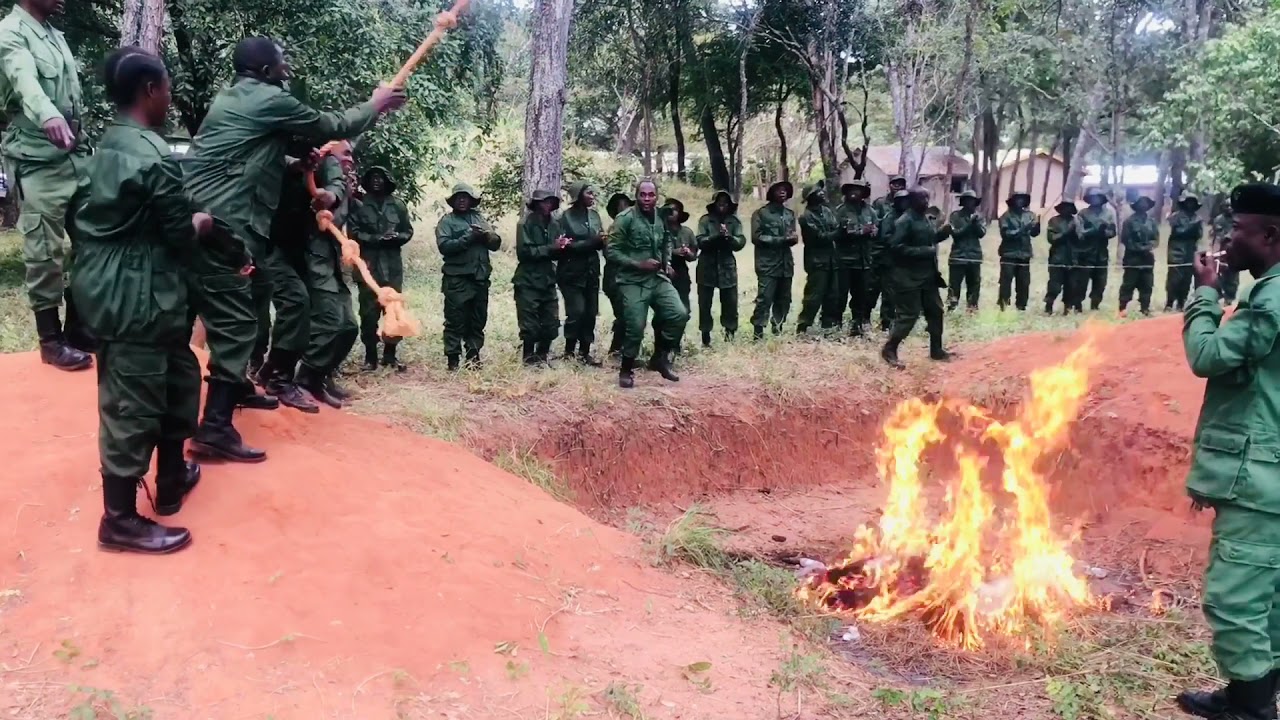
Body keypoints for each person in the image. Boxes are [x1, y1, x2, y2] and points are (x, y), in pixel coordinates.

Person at [183, 37, 405, 462]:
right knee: (235, 324)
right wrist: (376, 103)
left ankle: (241, 389)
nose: (287, 71)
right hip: (226, 220)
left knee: (237, 307)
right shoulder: (267, 98)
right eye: (282, 66)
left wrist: (292, 164)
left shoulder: (234, 97)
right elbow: (330, 125)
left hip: (209, 214)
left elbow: (243, 153)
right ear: (267, 71)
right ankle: (213, 429)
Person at [69, 48, 204, 553]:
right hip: (134, 294)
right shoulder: (153, 159)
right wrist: (203, 222)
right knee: (132, 401)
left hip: (144, 288)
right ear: (151, 90)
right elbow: (180, 235)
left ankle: (171, 480)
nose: (170, 97)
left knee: (176, 376)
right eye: (167, 87)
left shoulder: (107, 144)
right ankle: (119, 519)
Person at [1175, 182, 1280, 720]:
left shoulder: (1273, 298)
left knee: (1234, 597)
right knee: (1273, 595)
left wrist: (1207, 294)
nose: (1230, 238)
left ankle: (1254, 708)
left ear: (1270, 235)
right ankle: (1250, 695)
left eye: (1239, 229)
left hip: (1261, 475)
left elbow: (1208, 355)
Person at [0, 0, 94, 370]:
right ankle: (50, 340)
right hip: (38, 160)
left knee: (97, 242)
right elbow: (24, 79)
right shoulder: (10, 33)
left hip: (76, 157)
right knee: (44, 251)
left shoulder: (55, 35)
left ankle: (79, 327)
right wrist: (48, 114)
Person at [606, 179, 688, 388]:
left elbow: (667, 240)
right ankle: (626, 368)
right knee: (635, 325)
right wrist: (638, 264)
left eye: (651, 195)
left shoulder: (661, 216)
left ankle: (660, 357)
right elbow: (612, 251)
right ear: (636, 196)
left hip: (656, 278)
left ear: (657, 196)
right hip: (632, 280)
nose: (647, 199)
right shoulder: (624, 219)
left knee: (678, 313)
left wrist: (666, 261)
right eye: (642, 194)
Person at [295, 141, 358, 408]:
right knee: (329, 320)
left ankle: (320, 377)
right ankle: (302, 379)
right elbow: (318, 197)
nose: (351, 160)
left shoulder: (343, 186)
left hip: (331, 259)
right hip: (312, 259)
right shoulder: (313, 179)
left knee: (348, 326)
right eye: (345, 154)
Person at [349, 165, 413, 371]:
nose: (377, 180)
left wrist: (396, 238)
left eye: (381, 177)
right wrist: (377, 239)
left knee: (394, 309)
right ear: (367, 182)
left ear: (387, 181)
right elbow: (353, 233)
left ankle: (390, 355)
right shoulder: (358, 206)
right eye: (373, 177)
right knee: (368, 312)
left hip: (392, 266)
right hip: (368, 266)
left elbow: (408, 231)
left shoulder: (398, 206)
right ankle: (370, 357)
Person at [881, 186, 952, 368]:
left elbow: (926, 239)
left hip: (928, 276)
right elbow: (895, 247)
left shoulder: (925, 219)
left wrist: (941, 235)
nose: (926, 202)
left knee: (936, 311)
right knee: (908, 315)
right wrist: (923, 251)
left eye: (927, 198)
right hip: (908, 277)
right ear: (912, 201)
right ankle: (890, 349)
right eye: (922, 199)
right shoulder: (904, 221)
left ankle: (936, 350)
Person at [435, 183, 501, 370]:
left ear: (472, 200)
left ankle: (473, 355)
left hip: (480, 277)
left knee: (477, 319)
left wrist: (486, 236)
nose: (462, 200)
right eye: (458, 197)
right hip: (457, 279)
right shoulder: (447, 222)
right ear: (453, 201)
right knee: (455, 320)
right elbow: (445, 246)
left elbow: (495, 243)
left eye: (466, 197)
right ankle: (453, 359)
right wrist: (468, 237)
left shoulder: (479, 218)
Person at [552, 181, 604, 365]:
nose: (592, 196)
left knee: (590, 313)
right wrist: (591, 243)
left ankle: (584, 353)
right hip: (571, 272)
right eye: (588, 193)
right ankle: (568, 352)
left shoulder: (595, 216)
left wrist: (604, 241)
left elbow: (601, 238)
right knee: (576, 312)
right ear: (578, 195)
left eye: (592, 193)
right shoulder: (564, 218)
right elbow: (563, 247)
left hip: (591, 271)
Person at [514, 189, 562, 366]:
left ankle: (542, 357)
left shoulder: (555, 224)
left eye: (550, 202)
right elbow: (524, 253)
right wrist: (551, 248)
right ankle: (528, 359)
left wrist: (562, 248)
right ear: (535, 204)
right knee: (529, 324)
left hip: (548, 279)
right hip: (527, 279)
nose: (547, 205)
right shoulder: (525, 223)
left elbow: (556, 253)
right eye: (543, 202)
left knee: (551, 322)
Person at [694, 190, 745, 347]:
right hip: (706, 265)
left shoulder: (734, 221)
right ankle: (705, 336)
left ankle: (730, 334)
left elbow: (740, 242)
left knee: (730, 302)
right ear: (714, 205)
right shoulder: (705, 221)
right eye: (719, 203)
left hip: (727, 265)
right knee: (705, 303)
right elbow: (699, 241)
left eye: (725, 204)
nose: (722, 207)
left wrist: (729, 237)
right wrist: (715, 237)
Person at [750, 179, 798, 339]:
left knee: (784, 298)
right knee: (765, 298)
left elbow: (793, 235)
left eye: (785, 189)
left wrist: (793, 238)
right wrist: (780, 240)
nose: (783, 192)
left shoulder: (790, 214)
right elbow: (756, 237)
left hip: (786, 263)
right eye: (779, 189)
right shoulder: (761, 213)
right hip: (767, 263)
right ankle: (758, 331)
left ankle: (778, 327)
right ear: (772, 193)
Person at [795, 183, 841, 336]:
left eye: (821, 190)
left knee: (832, 294)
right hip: (816, 261)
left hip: (831, 260)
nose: (822, 193)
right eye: (817, 192)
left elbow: (834, 227)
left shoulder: (827, 211)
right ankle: (804, 326)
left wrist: (836, 231)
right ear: (810, 197)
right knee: (814, 295)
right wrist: (839, 231)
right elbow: (820, 237)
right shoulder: (806, 217)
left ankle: (827, 326)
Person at [833, 180, 878, 334]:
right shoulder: (841, 211)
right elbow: (838, 234)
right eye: (851, 189)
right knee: (840, 295)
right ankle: (836, 324)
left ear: (863, 193)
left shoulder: (870, 211)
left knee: (861, 295)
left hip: (864, 261)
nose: (854, 192)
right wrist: (860, 232)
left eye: (858, 190)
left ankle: (857, 325)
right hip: (844, 261)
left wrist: (872, 232)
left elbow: (875, 229)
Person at [662, 198, 697, 353]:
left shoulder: (687, 232)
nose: (672, 212)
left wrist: (688, 253)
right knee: (665, 312)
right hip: (663, 272)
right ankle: (664, 346)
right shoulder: (660, 230)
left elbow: (694, 255)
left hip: (681, 273)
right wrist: (674, 252)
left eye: (675, 209)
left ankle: (675, 343)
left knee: (684, 310)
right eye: (668, 209)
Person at [997, 192, 1040, 311]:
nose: (1020, 201)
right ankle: (1003, 304)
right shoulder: (1006, 216)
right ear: (1012, 201)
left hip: (1024, 253)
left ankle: (1021, 306)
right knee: (1005, 281)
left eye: (1022, 199)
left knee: (1024, 282)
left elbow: (1034, 234)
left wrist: (1036, 226)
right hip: (1008, 254)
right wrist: (1022, 229)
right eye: (1017, 199)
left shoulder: (1030, 215)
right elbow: (1006, 234)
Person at [874, 190, 910, 330]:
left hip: (905, 261)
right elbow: (885, 237)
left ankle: (901, 321)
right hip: (890, 260)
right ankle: (886, 322)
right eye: (902, 201)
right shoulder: (889, 217)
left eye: (907, 200)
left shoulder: (909, 217)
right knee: (889, 294)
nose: (904, 203)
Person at [602, 191, 633, 357]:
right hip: (615, 279)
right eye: (621, 208)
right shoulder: (614, 229)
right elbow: (610, 254)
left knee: (630, 315)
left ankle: (622, 350)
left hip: (629, 279)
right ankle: (616, 351)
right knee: (624, 315)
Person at [946, 190, 986, 312]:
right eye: (967, 201)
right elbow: (956, 234)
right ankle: (952, 307)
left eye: (972, 201)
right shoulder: (955, 216)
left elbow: (982, 234)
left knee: (974, 284)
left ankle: (972, 308)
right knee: (954, 284)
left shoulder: (979, 216)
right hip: (958, 256)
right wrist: (969, 224)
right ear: (963, 202)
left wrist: (976, 223)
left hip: (974, 255)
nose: (970, 203)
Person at [1117, 196, 1158, 316]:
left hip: (1147, 259)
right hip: (1132, 258)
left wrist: (1149, 247)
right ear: (1136, 206)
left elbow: (1155, 238)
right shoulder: (1129, 221)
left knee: (1147, 284)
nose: (1143, 205)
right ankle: (1122, 308)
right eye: (1141, 203)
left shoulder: (1152, 221)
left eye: (1146, 203)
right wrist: (1139, 248)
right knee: (1128, 284)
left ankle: (1145, 307)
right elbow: (1125, 239)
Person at [1078, 188, 1116, 311]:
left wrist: (1104, 232)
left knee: (1100, 281)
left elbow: (1112, 232)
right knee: (1082, 281)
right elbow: (1080, 233)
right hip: (1086, 252)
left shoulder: (1108, 214)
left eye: (1097, 197)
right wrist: (1094, 230)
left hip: (1102, 252)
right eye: (1092, 197)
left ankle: (1095, 304)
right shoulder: (1083, 213)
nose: (1095, 200)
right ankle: (1078, 304)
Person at [1166, 192, 1205, 311]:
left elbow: (1199, 235)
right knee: (1174, 278)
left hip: (1190, 250)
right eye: (1188, 202)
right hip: (1176, 250)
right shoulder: (1176, 216)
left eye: (1193, 202)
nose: (1190, 205)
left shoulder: (1198, 218)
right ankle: (1169, 302)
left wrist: (1194, 228)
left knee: (1187, 278)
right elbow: (1178, 232)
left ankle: (1181, 302)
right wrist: (1191, 227)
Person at [1045, 200, 1081, 314]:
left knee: (1071, 285)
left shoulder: (1076, 221)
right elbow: (1052, 239)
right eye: (1065, 208)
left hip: (1073, 257)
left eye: (1069, 208)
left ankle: (1068, 307)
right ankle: (1049, 305)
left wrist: (1075, 232)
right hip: (1057, 257)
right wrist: (1066, 233)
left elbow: (1081, 238)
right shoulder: (1054, 221)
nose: (1067, 210)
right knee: (1054, 284)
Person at [1213, 198, 1239, 304]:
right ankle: (1217, 295)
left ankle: (1230, 297)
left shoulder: (1237, 219)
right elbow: (1219, 235)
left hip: (1235, 251)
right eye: (1226, 206)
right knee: (1218, 274)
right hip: (1221, 250)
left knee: (1233, 276)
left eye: (1231, 206)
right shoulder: (1219, 219)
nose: (1229, 208)